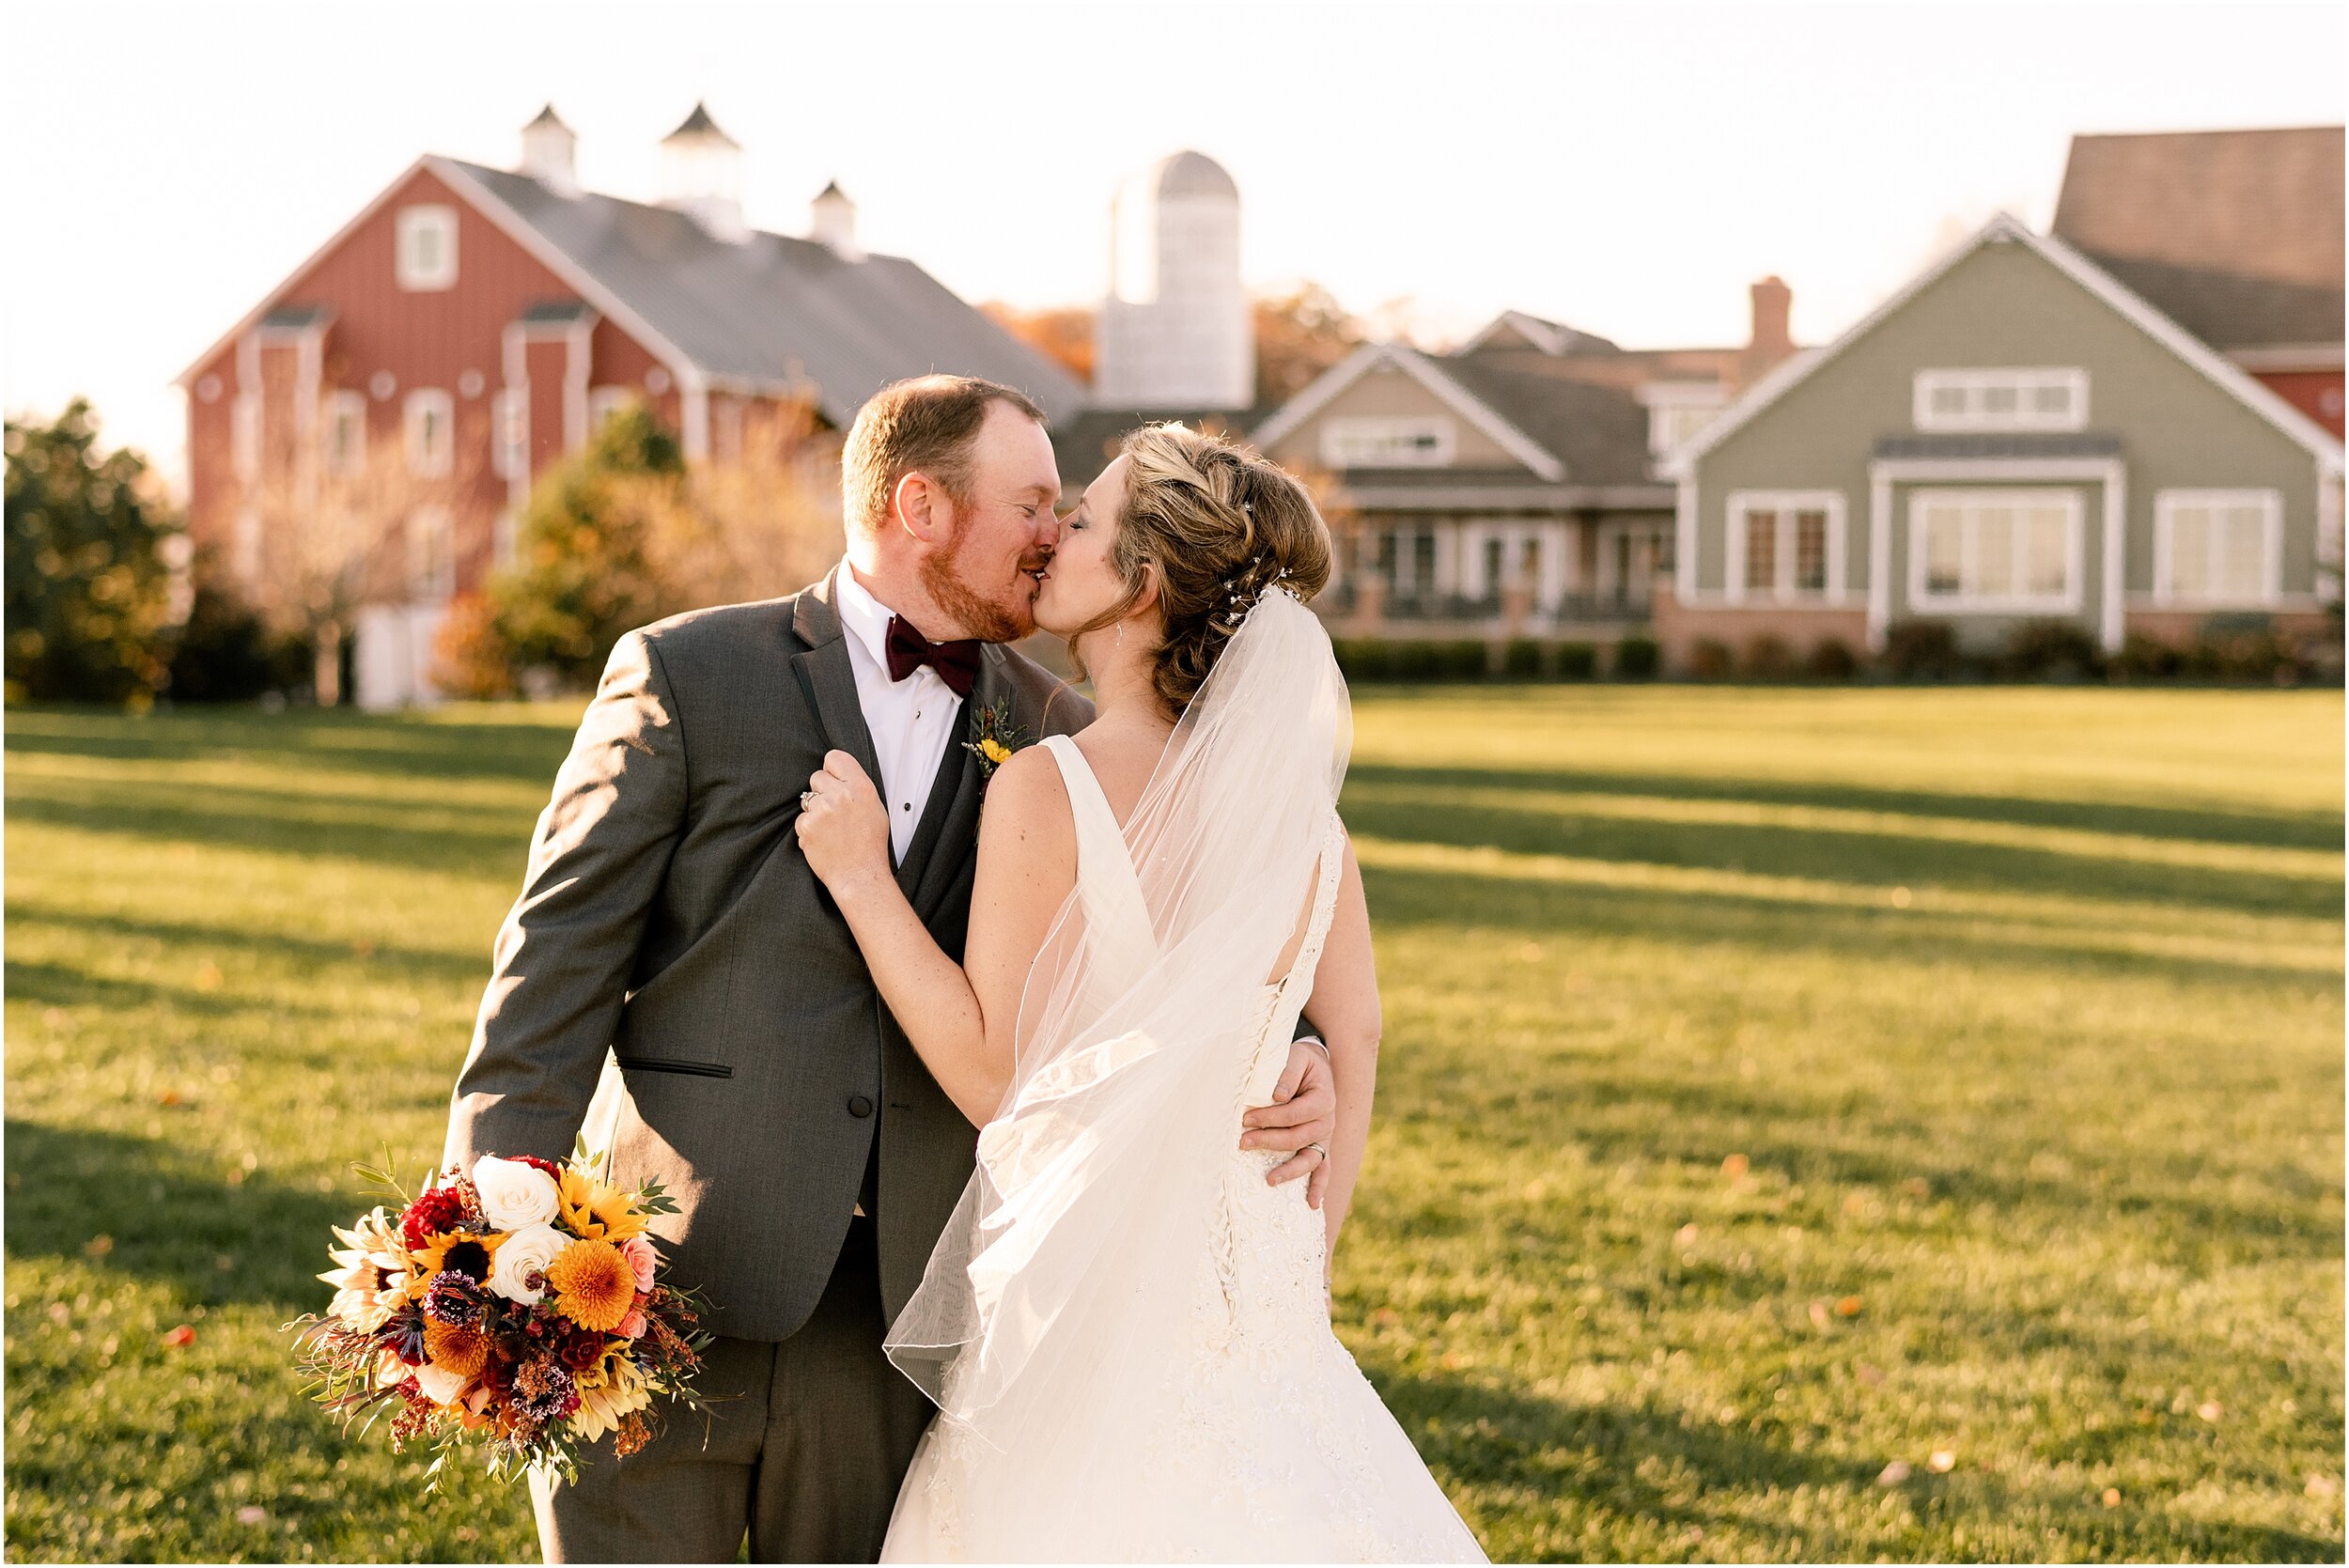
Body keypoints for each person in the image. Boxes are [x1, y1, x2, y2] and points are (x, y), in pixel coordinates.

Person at [440, 378, 1341, 1562]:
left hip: (913, 1322)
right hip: (660, 1281)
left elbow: (1217, 921)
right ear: (919, 504)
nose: (1051, 533)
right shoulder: (688, 674)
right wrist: (490, 1241)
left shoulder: (1068, 729)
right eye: (1030, 503)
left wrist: (1305, 1051)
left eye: (1065, 510)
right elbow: (552, 969)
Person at [795, 422, 1486, 1561]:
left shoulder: (1051, 789)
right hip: (1267, 1319)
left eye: (1087, 522)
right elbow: (1351, 1027)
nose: (1056, 534)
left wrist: (863, 879)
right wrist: (1304, 1260)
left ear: (1141, 583)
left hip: (1094, 1313)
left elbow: (990, 1078)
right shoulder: (1306, 826)